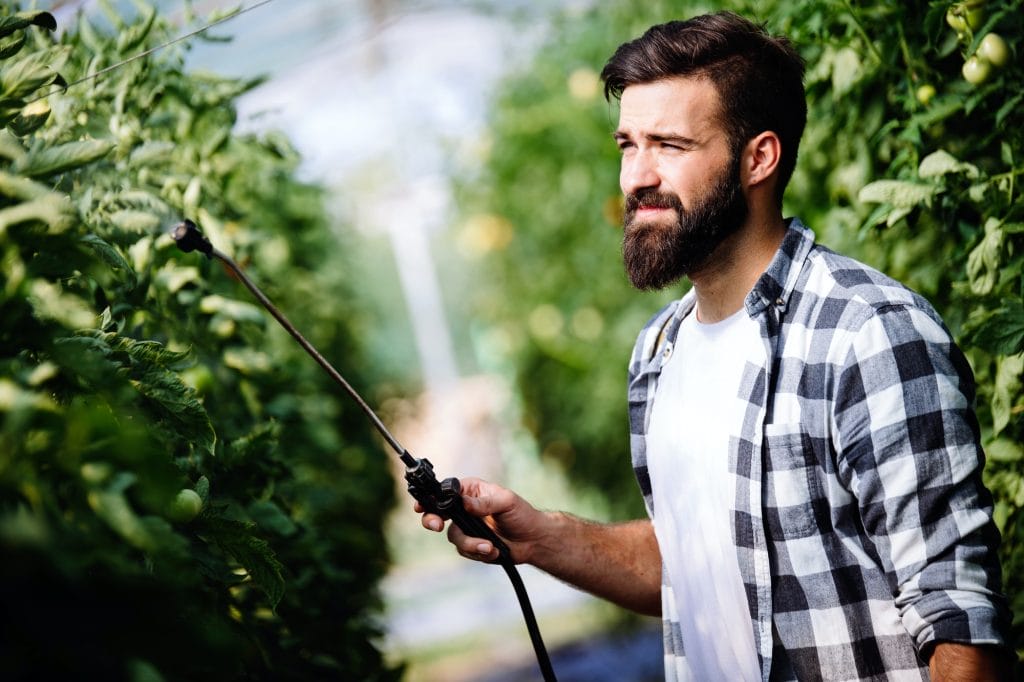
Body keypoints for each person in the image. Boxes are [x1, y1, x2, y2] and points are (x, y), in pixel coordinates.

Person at [419, 12, 1012, 681]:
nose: (635, 177)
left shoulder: (866, 334)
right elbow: (698, 569)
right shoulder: (660, 353)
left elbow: (961, 627)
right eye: (626, 145)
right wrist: (541, 536)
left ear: (759, 157)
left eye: (669, 145)